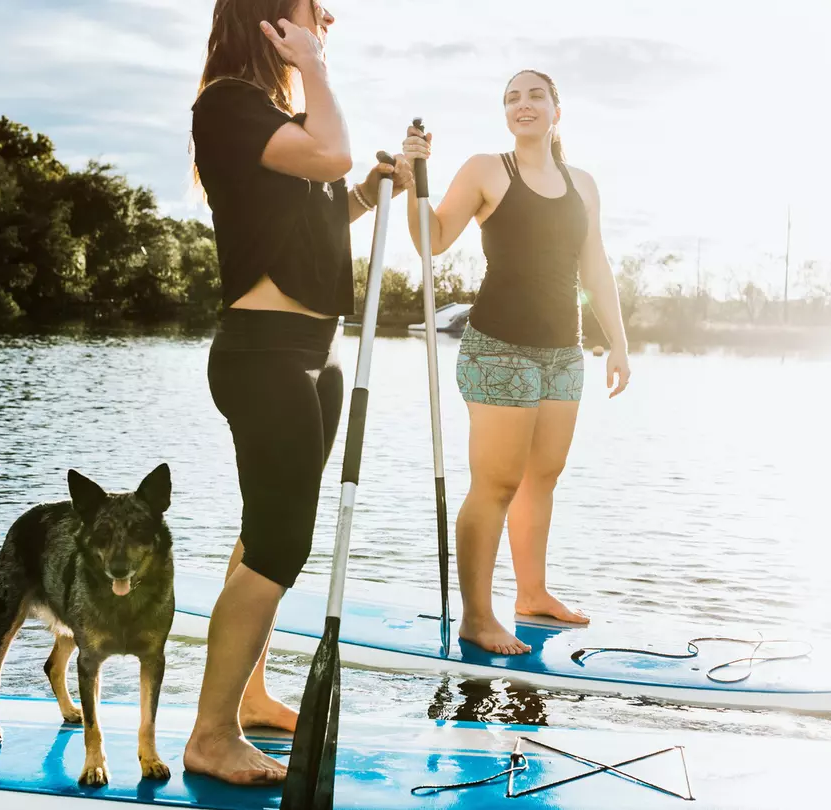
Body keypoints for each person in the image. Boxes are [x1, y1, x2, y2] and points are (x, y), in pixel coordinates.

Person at [183, 0, 412, 785]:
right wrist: (314, 65)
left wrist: (365, 193)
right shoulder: (227, 105)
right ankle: (210, 735)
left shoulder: (276, 119)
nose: (331, 18)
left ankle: (245, 699)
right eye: (317, 9)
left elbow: (314, 210)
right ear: (273, 18)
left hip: (317, 356)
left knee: (266, 536)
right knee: (282, 546)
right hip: (265, 356)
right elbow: (331, 153)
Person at [401, 70, 631, 656]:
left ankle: (531, 594)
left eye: (535, 95)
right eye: (511, 98)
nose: (522, 104)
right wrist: (415, 179)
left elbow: (595, 266)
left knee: (543, 476)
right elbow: (432, 240)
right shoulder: (486, 169)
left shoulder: (583, 184)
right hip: (498, 347)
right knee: (497, 484)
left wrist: (619, 341)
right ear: (505, 113)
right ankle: (477, 617)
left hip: (563, 352)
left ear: (557, 109)